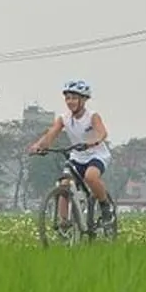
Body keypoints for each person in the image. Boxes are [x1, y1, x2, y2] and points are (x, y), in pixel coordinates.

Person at [28, 79, 115, 225]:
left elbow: (102, 133)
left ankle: (105, 205)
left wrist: (93, 142)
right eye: (67, 98)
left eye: (74, 98)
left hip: (96, 155)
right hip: (77, 155)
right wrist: (39, 145)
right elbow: (51, 134)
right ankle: (64, 223)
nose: (70, 101)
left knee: (91, 177)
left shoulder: (92, 116)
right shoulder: (64, 118)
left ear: (84, 99)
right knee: (64, 184)